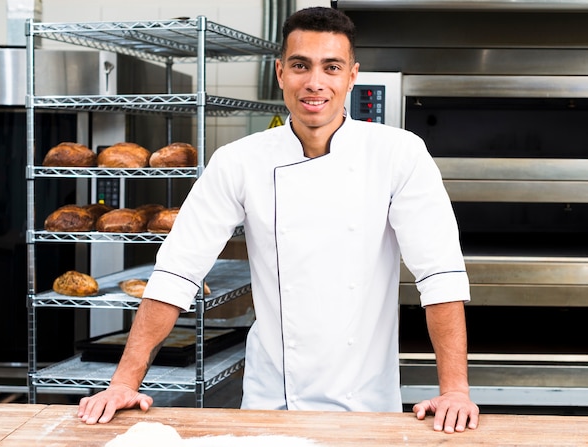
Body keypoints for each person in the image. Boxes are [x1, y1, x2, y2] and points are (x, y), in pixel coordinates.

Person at [78, 6, 480, 433]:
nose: (315, 82)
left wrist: (454, 389)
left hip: (366, 404)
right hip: (272, 402)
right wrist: (123, 381)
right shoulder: (240, 161)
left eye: (332, 67)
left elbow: (439, 274)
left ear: (351, 76)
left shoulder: (399, 154)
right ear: (280, 73)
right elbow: (178, 271)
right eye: (300, 65)